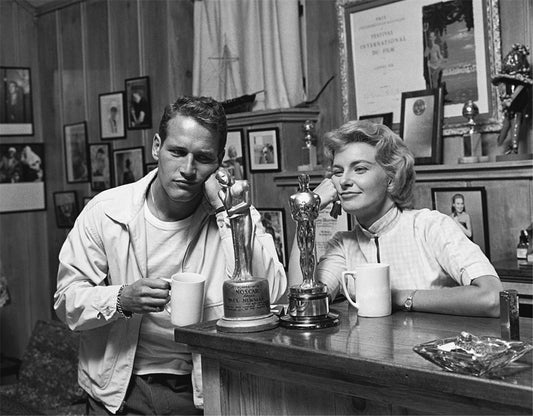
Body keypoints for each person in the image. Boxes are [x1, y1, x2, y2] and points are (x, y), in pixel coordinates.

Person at [54, 96, 287, 415]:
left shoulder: (234, 215)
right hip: (120, 391)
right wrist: (121, 299)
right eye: (177, 152)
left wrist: (229, 215)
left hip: (202, 388)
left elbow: (273, 296)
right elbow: (67, 303)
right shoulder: (106, 212)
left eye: (203, 158)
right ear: (156, 147)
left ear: (219, 161)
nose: (188, 169)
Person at [288, 120, 502, 317]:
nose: (343, 180)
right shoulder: (343, 245)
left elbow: (492, 298)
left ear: (391, 178)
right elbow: (302, 308)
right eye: (337, 171)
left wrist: (396, 297)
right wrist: (305, 214)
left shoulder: (430, 227)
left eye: (359, 169)